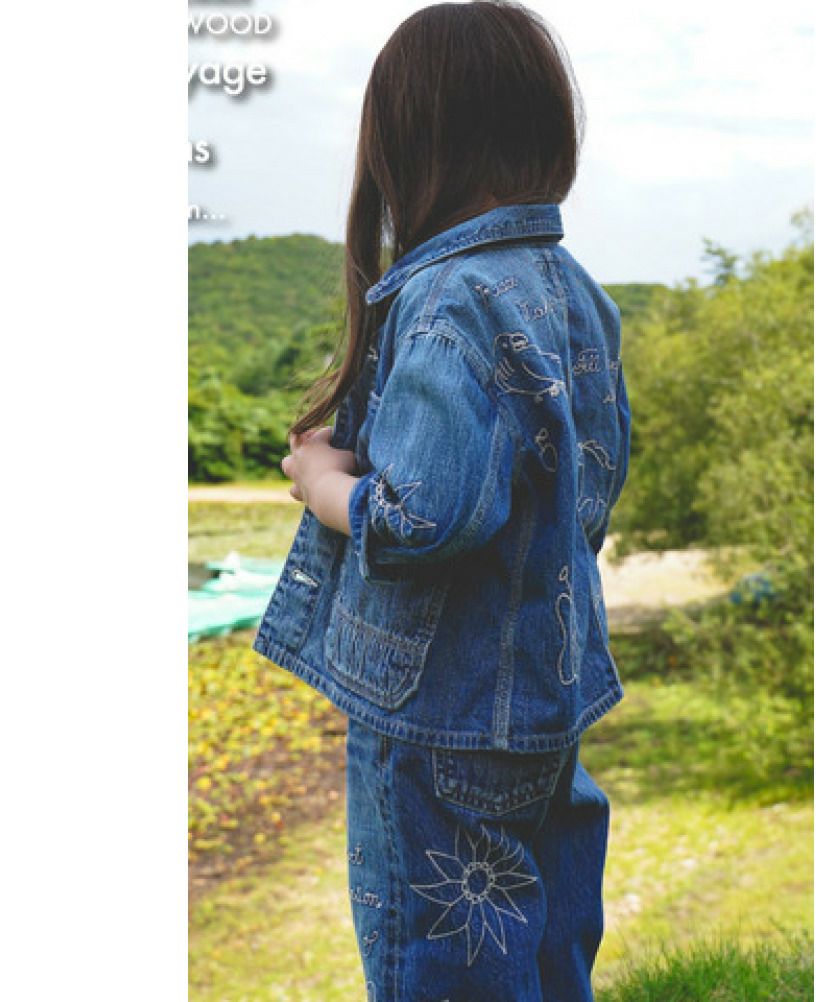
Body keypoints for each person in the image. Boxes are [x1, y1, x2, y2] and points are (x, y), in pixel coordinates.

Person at [253, 2, 631, 998]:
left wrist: (323, 482)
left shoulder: (447, 298)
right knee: (545, 950)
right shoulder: (578, 294)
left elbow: (421, 518)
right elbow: (587, 488)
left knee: (444, 968)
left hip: (438, 717)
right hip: (545, 695)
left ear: (406, 145)